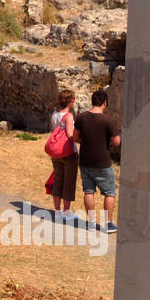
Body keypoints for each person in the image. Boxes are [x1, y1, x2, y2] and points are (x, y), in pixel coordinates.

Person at [74, 89, 121, 234]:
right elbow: (116, 142)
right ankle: (108, 223)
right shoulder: (109, 121)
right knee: (109, 193)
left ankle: (92, 222)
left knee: (89, 191)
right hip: (102, 162)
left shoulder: (81, 117)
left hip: (85, 160)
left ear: (92, 101)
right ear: (105, 103)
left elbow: (75, 137)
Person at [48, 89, 79, 222]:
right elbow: (70, 135)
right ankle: (67, 212)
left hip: (56, 152)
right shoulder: (69, 116)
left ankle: (57, 212)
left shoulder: (54, 114)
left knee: (58, 180)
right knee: (69, 182)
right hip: (68, 152)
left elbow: (52, 131)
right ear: (71, 101)